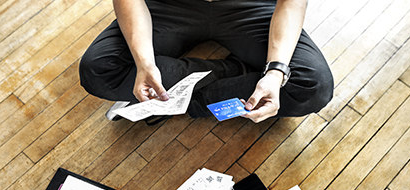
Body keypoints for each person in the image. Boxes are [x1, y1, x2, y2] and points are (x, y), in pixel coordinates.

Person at [79, 0, 334, 124]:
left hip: (250, 6)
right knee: (98, 70)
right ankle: (238, 72)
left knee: (313, 87)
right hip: (169, 5)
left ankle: (178, 103)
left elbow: (292, 3)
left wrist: (276, 72)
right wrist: (144, 61)